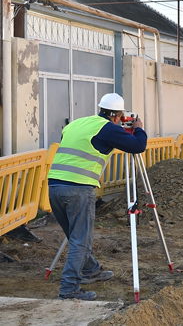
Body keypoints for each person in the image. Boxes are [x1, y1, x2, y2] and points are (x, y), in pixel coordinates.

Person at [48, 93, 147, 301]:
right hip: (78, 190)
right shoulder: (108, 128)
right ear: (118, 116)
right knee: (80, 240)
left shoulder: (78, 123)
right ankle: (69, 288)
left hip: (55, 186)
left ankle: (91, 269)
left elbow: (78, 149)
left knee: (76, 237)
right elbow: (138, 145)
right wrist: (138, 127)